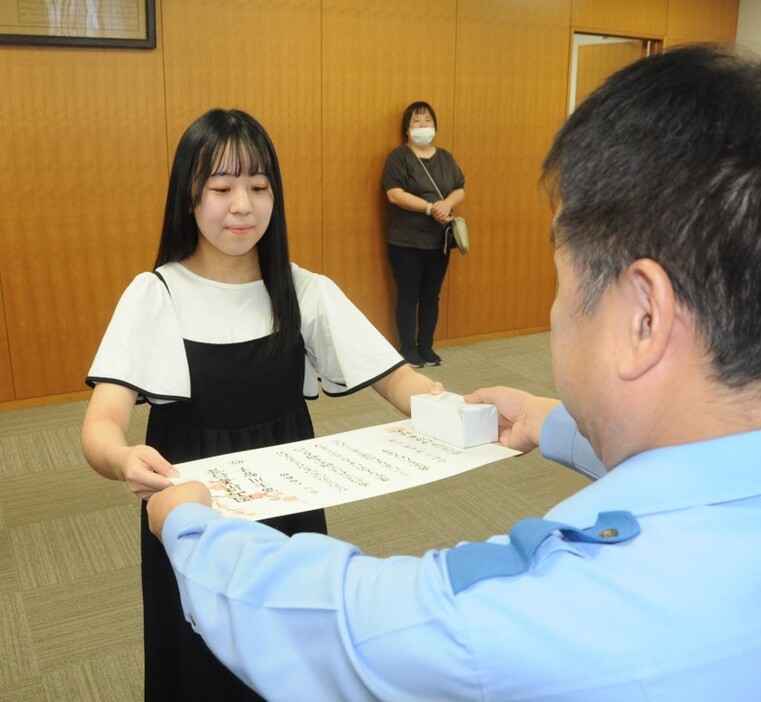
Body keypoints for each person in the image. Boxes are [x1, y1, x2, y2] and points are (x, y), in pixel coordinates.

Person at [147, 45, 761, 700]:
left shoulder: (532, 615)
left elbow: (344, 624)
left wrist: (191, 529)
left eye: (561, 282)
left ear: (643, 319)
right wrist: (547, 420)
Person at [80, 108, 442, 702]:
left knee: (294, 652)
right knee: (198, 658)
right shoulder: (156, 294)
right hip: (190, 510)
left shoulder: (304, 290)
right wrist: (121, 459)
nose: (242, 205)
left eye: (258, 186)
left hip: (293, 505)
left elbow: (400, 381)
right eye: (221, 188)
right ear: (189, 197)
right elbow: (102, 423)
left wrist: (453, 407)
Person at [382, 101, 465, 368]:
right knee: (408, 295)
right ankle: (408, 349)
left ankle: (426, 347)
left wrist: (447, 204)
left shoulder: (446, 158)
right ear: (407, 129)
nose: (422, 126)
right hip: (405, 241)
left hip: (438, 242)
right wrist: (430, 207)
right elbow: (395, 194)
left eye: (427, 121)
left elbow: (460, 187)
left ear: (435, 126)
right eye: (416, 121)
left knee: (432, 295)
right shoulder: (399, 157)